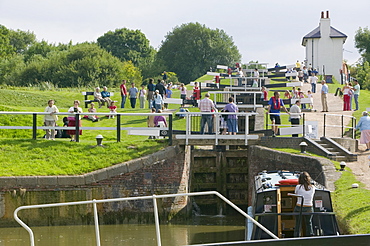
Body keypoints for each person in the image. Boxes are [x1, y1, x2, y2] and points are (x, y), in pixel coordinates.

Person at [294, 171, 315, 237]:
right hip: (309, 207)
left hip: (299, 207)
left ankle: (297, 236)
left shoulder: (298, 187)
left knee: (298, 223)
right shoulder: (313, 188)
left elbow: (296, 194)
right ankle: (310, 236)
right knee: (309, 223)